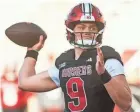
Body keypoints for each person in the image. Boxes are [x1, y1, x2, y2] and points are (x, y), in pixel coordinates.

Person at [18, 2, 132, 112]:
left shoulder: (106, 57)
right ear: (71, 30)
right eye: (81, 27)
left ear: (99, 31)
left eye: (92, 28)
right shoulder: (65, 61)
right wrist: (32, 52)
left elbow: (126, 103)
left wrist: (103, 74)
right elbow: (24, 83)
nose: (87, 31)